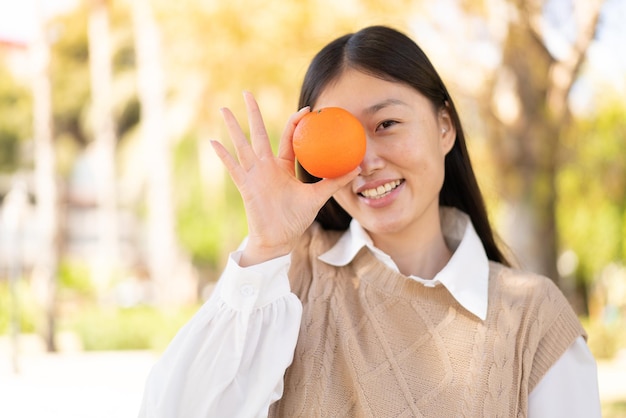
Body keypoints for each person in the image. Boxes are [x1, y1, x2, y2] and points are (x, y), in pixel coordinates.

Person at [139, 25, 601, 417]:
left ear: (445, 127)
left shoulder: (532, 317)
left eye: (386, 125)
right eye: (340, 138)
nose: (366, 162)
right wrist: (265, 249)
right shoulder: (283, 281)